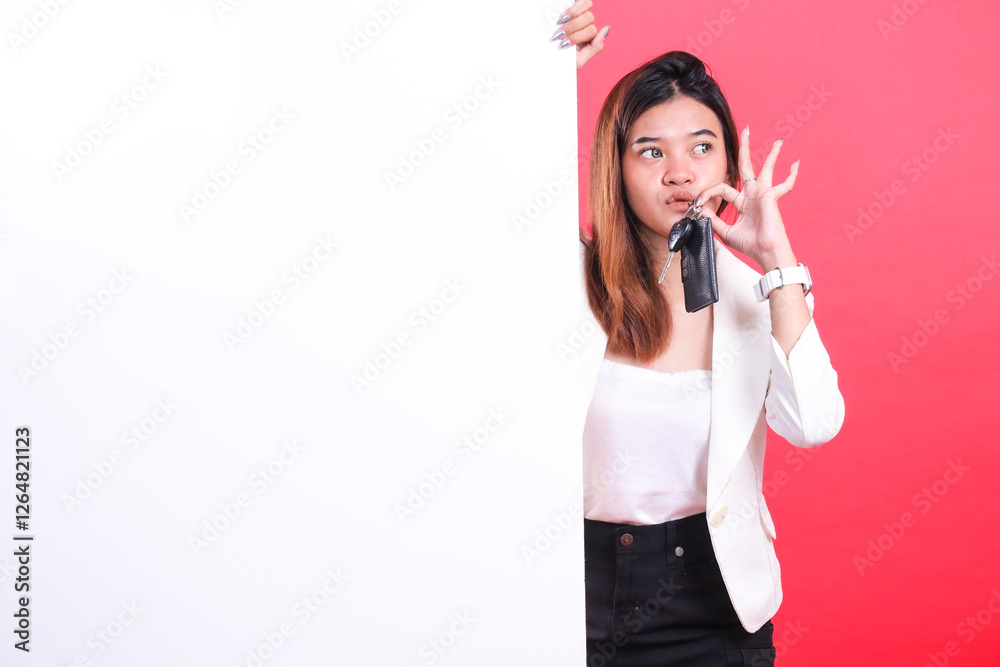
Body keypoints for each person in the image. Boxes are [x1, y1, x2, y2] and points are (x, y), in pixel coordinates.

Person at [552, 6, 845, 666]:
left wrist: (777, 258)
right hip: (570, 590)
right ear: (616, 167)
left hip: (712, 605)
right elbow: (480, 204)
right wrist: (537, 79)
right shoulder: (563, 284)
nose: (680, 173)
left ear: (729, 162)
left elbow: (815, 423)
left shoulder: (758, 294)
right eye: (651, 151)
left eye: (701, 147)